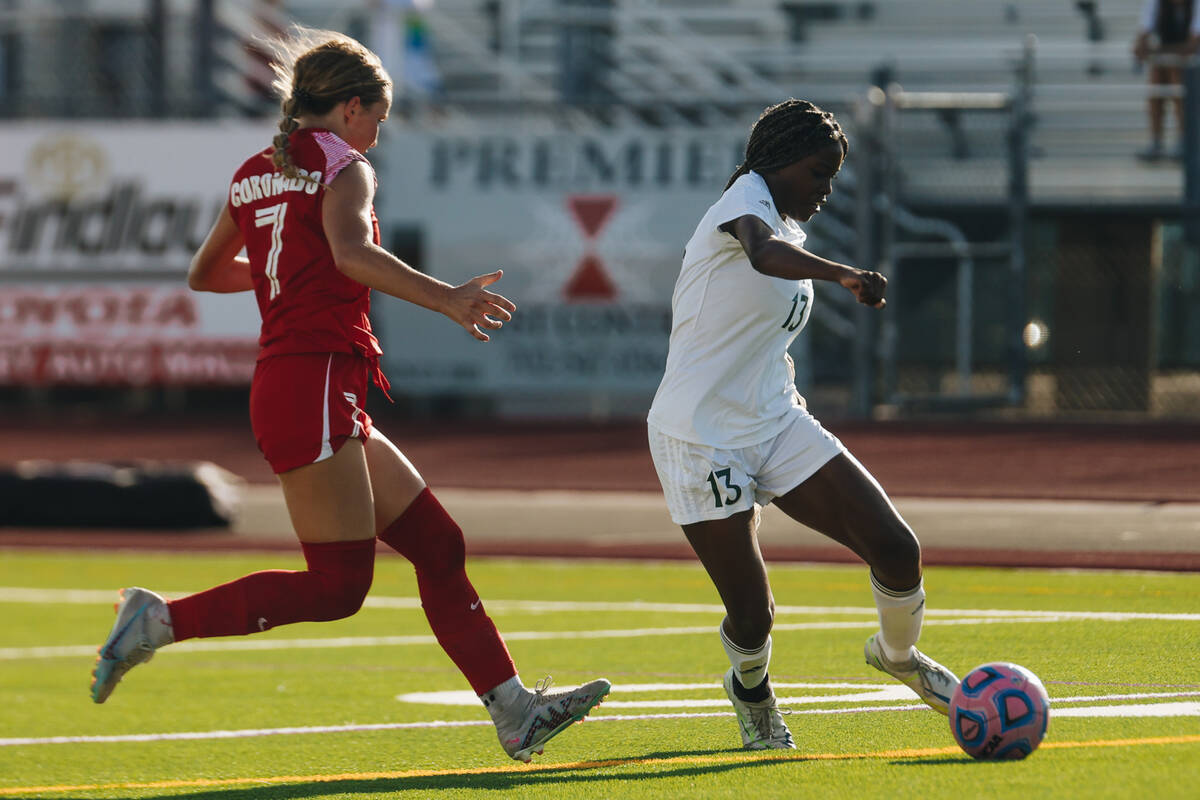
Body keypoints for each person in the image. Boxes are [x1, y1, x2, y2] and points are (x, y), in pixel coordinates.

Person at [89, 26, 609, 763]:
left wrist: (285, 276)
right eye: (377, 122)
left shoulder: (253, 171)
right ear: (351, 108)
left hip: (307, 381)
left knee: (437, 544)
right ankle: (159, 620)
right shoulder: (343, 165)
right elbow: (351, 253)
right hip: (315, 379)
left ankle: (514, 710)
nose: (375, 138)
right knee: (338, 588)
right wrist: (445, 299)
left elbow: (206, 274)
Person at [646, 99, 959, 750]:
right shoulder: (743, 201)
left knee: (897, 548)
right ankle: (751, 688)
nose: (826, 190)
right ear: (780, 163)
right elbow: (761, 255)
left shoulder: (789, 224)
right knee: (753, 616)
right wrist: (842, 274)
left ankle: (898, 657)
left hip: (774, 418)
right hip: (700, 433)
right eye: (819, 173)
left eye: (834, 176)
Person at [1133, 0, 1200, 160]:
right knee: (1161, 74)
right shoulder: (1156, 3)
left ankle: (1183, 138)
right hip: (1174, 62)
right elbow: (1142, 38)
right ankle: (1158, 140)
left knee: (1175, 73)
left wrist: (1156, 51)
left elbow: (1192, 47)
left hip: (1193, 66)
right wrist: (1143, 46)